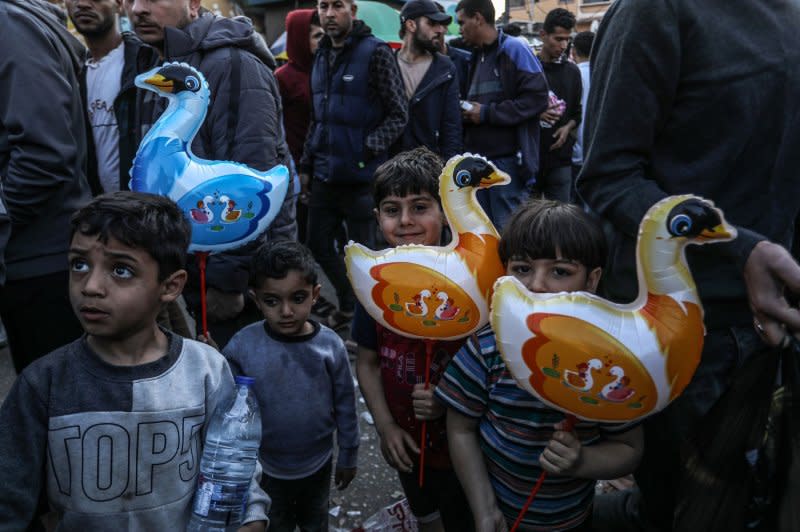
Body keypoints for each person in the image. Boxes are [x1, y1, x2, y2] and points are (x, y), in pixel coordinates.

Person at [578, 1, 800, 529]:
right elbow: (609, 176)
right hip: (683, 335)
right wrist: (738, 247)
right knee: (681, 504)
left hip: (774, 327)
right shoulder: (654, 12)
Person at [0, 192, 270, 530]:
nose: (91, 286)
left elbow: (235, 470)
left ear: (171, 286)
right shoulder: (43, 384)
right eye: (79, 264)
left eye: (120, 270)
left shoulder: (206, 370)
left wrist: (250, 517)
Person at [436, 200, 643, 531]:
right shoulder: (488, 347)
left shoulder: (608, 365)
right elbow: (460, 427)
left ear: (592, 280)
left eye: (560, 271)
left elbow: (630, 448)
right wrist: (484, 509)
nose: (536, 285)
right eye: (522, 269)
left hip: (572, 520)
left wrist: (584, 461)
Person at [125, 0, 296, 347]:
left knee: (242, 378)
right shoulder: (155, 63)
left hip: (233, 278)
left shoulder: (232, 65)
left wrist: (227, 280)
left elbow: (248, 175)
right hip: (187, 262)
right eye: (129, 0)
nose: (137, 9)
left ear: (192, 4)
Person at [352, 148, 474, 532]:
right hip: (406, 444)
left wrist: (451, 400)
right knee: (426, 517)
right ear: (377, 218)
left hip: (466, 452)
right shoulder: (373, 282)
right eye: (392, 209)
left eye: (420, 207)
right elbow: (368, 361)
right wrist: (386, 426)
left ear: (446, 212)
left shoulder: (471, 282)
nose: (405, 221)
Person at [222, 240, 359, 531]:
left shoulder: (330, 346)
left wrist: (348, 453)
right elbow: (227, 404)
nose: (286, 311)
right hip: (265, 466)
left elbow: (347, 404)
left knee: (314, 521)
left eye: (297, 298)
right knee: (275, 523)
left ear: (315, 295)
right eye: (272, 301)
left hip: (318, 462)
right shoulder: (242, 346)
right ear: (256, 300)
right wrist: (213, 361)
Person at [299, 0, 408, 331]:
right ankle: (349, 302)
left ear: (353, 11)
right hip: (324, 174)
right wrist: (306, 164)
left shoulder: (375, 52)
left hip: (363, 176)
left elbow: (398, 113)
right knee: (316, 243)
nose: (329, 14)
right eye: (323, 6)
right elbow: (318, 119)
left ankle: (368, 329)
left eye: (337, 6)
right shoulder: (321, 56)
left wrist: (366, 148)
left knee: (365, 256)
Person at [0, 0, 92, 373]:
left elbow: (47, 152)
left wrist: (3, 215)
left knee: (56, 409)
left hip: (39, 263)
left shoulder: (8, 25)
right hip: (31, 258)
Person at [456, 0, 549, 230]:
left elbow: (536, 98)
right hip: (479, 164)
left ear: (478, 18)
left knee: (508, 236)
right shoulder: (476, 56)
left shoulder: (513, 48)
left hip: (507, 164)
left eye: (462, 22)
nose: (459, 29)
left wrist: (486, 113)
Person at [66, 0, 160, 195]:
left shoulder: (148, 61)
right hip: (102, 210)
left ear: (119, 4)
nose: (82, 4)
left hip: (147, 205)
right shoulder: (71, 74)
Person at [275, 9, 324, 242]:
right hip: (295, 164)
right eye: (316, 36)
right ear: (299, 38)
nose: (322, 41)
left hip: (324, 163)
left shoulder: (326, 70)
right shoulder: (282, 77)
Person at [393, 0, 462, 160]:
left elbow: (451, 127)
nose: (440, 30)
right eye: (432, 23)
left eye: (441, 24)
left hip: (430, 169)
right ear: (411, 25)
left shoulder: (445, 68)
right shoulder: (387, 63)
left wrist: (448, 172)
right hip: (390, 169)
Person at [537, 8, 582, 203]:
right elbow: (513, 106)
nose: (563, 45)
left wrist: (567, 128)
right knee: (529, 224)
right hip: (531, 159)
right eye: (558, 39)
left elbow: (577, 113)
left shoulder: (572, 72)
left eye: (567, 40)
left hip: (561, 160)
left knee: (561, 223)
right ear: (543, 35)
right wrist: (536, 113)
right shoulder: (529, 68)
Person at [570, 31, 593, 194]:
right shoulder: (605, 72)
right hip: (597, 152)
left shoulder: (571, 73)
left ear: (573, 51)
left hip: (575, 150)